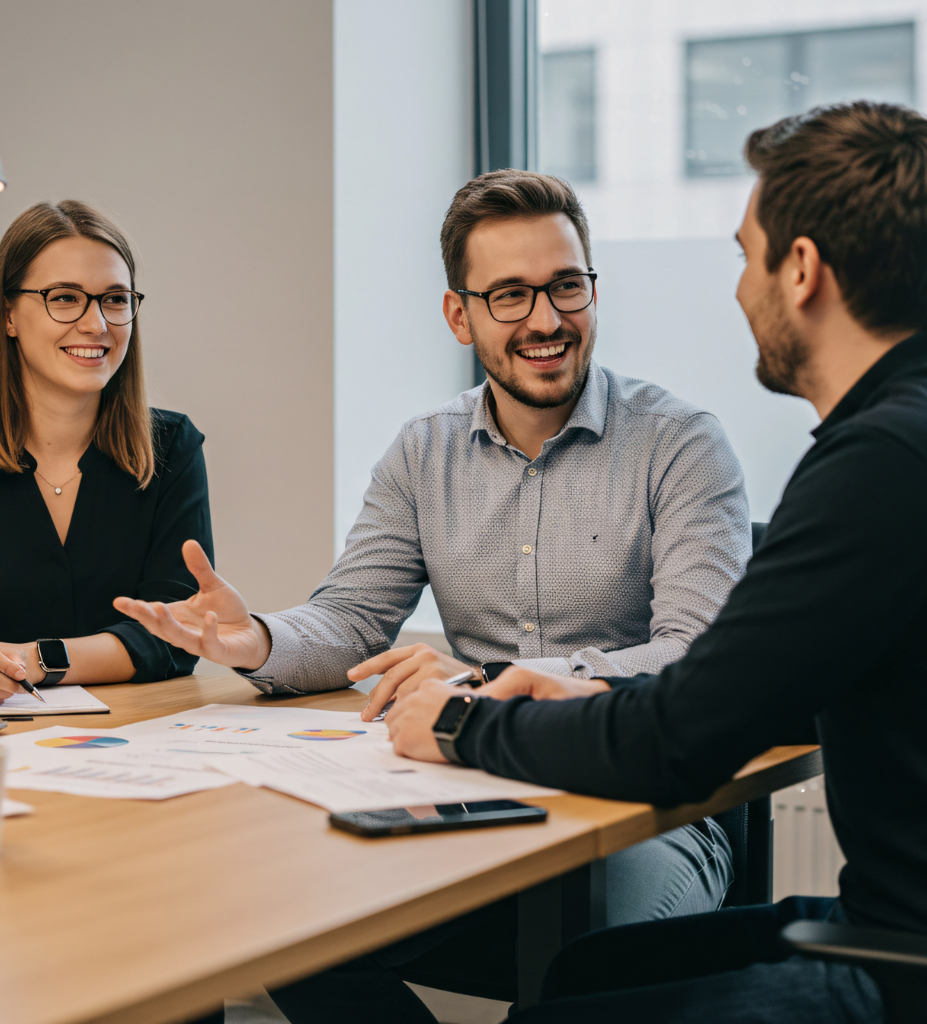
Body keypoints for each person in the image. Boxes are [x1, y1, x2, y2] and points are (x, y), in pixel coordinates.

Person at [117, 171, 750, 1022]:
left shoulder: (680, 445)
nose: (546, 320)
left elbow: (695, 655)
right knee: (289, 929)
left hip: (641, 808)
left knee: (587, 982)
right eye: (511, 295)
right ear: (461, 315)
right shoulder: (424, 453)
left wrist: (498, 683)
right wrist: (258, 642)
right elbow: (351, 618)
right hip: (480, 793)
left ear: (593, 288)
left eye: (566, 286)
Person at [385, 101, 927, 1024]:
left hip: (900, 961)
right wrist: (598, 692)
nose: (738, 289)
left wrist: (461, 725)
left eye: (744, 254)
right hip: (889, 921)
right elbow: (765, 686)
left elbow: (682, 739)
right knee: (581, 977)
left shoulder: (877, 464)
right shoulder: (897, 439)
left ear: (800, 271)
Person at [0, 200, 213, 706]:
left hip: (140, 731)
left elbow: (176, 630)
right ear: (8, 314)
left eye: (114, 300)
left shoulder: (171, 446)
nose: (96, 324)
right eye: (64, 298)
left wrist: (37, 660)